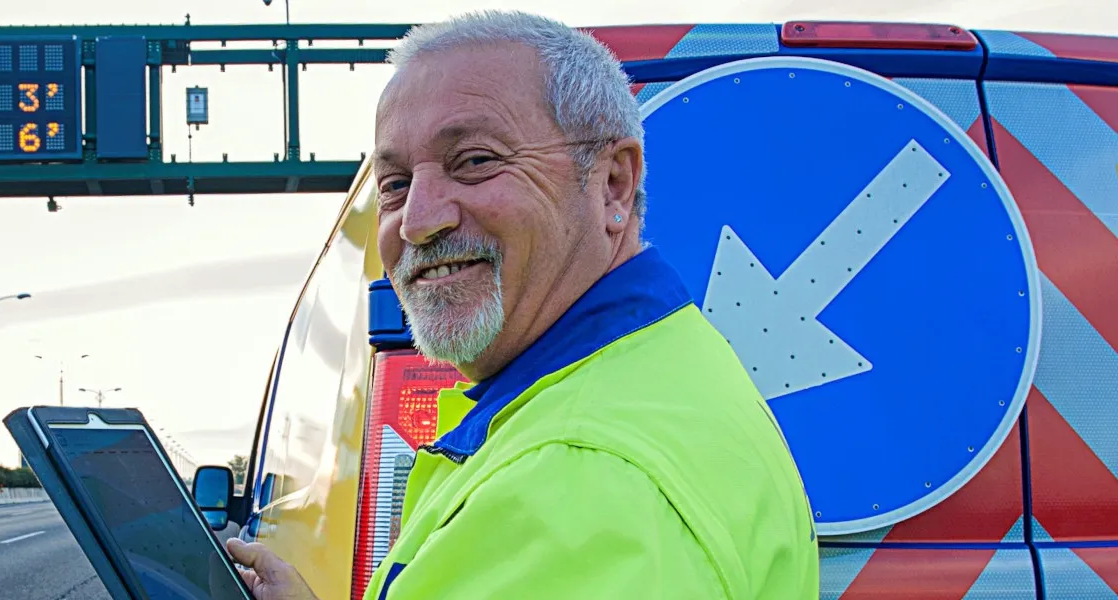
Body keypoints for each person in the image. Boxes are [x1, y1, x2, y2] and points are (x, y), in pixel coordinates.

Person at [224, 10, 820, 600]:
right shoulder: (657, 371)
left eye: (476, 161)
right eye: (396, 184)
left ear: (613, 182)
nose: (419, 221)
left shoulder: (575, 479)